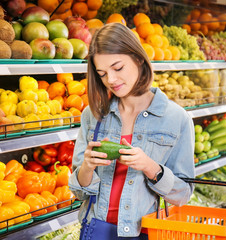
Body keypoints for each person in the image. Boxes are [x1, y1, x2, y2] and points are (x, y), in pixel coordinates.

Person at [68, 22, 195, 239]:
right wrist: (87, 167)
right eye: (102, 74)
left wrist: (150, 167)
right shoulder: (93, 115)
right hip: (96, 230)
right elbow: (79, 193)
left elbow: (183, 194)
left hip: (144, 232)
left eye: (118, 68)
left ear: (138, 58)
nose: (112, 80)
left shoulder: (176, 119)